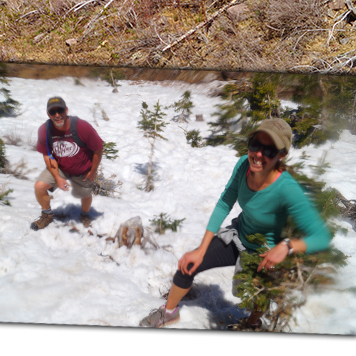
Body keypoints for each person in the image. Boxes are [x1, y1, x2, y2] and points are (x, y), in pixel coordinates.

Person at [139, 116, 332, 329]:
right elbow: (225, 202)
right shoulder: (243, 165)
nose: (258, 154)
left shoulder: (287, 189)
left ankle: (252, 322)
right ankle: (169, 312)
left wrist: (287, 246)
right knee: (188, 265)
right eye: (255, 144)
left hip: (264, 252)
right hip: (238, 235)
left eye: (269, 150)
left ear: (281, 155)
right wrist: (201, 250)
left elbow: (322, 237)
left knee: (259, 295)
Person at [31, 96, 104, 230]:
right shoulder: (45, 130)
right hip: (60, 167)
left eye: (60, 110)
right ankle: (46, 215)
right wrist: (57, 177)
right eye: (53, 112)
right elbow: (47, 155)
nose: (57, 115)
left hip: (83, 169)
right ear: (48, 114)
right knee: (39, 186)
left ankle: (85, 214)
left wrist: (93, 171)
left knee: (85, 194)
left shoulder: (82, 127)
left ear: (66, 110)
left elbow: (98, 148)